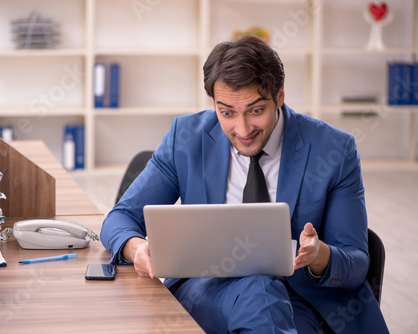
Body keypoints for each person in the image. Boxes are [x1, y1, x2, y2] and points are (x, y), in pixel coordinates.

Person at [101, 36, 389, 333]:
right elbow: (119, 218)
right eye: (227, 113)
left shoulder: (334, 150)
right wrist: (137, 248)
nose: (242, 129)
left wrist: (320, 256)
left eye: (255, 111)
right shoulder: (186, 138)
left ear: (279, 96)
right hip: (207, 292)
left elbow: (356, 264)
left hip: (302, 301)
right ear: (213, 103)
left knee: (260, 294)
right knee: (258, 289)